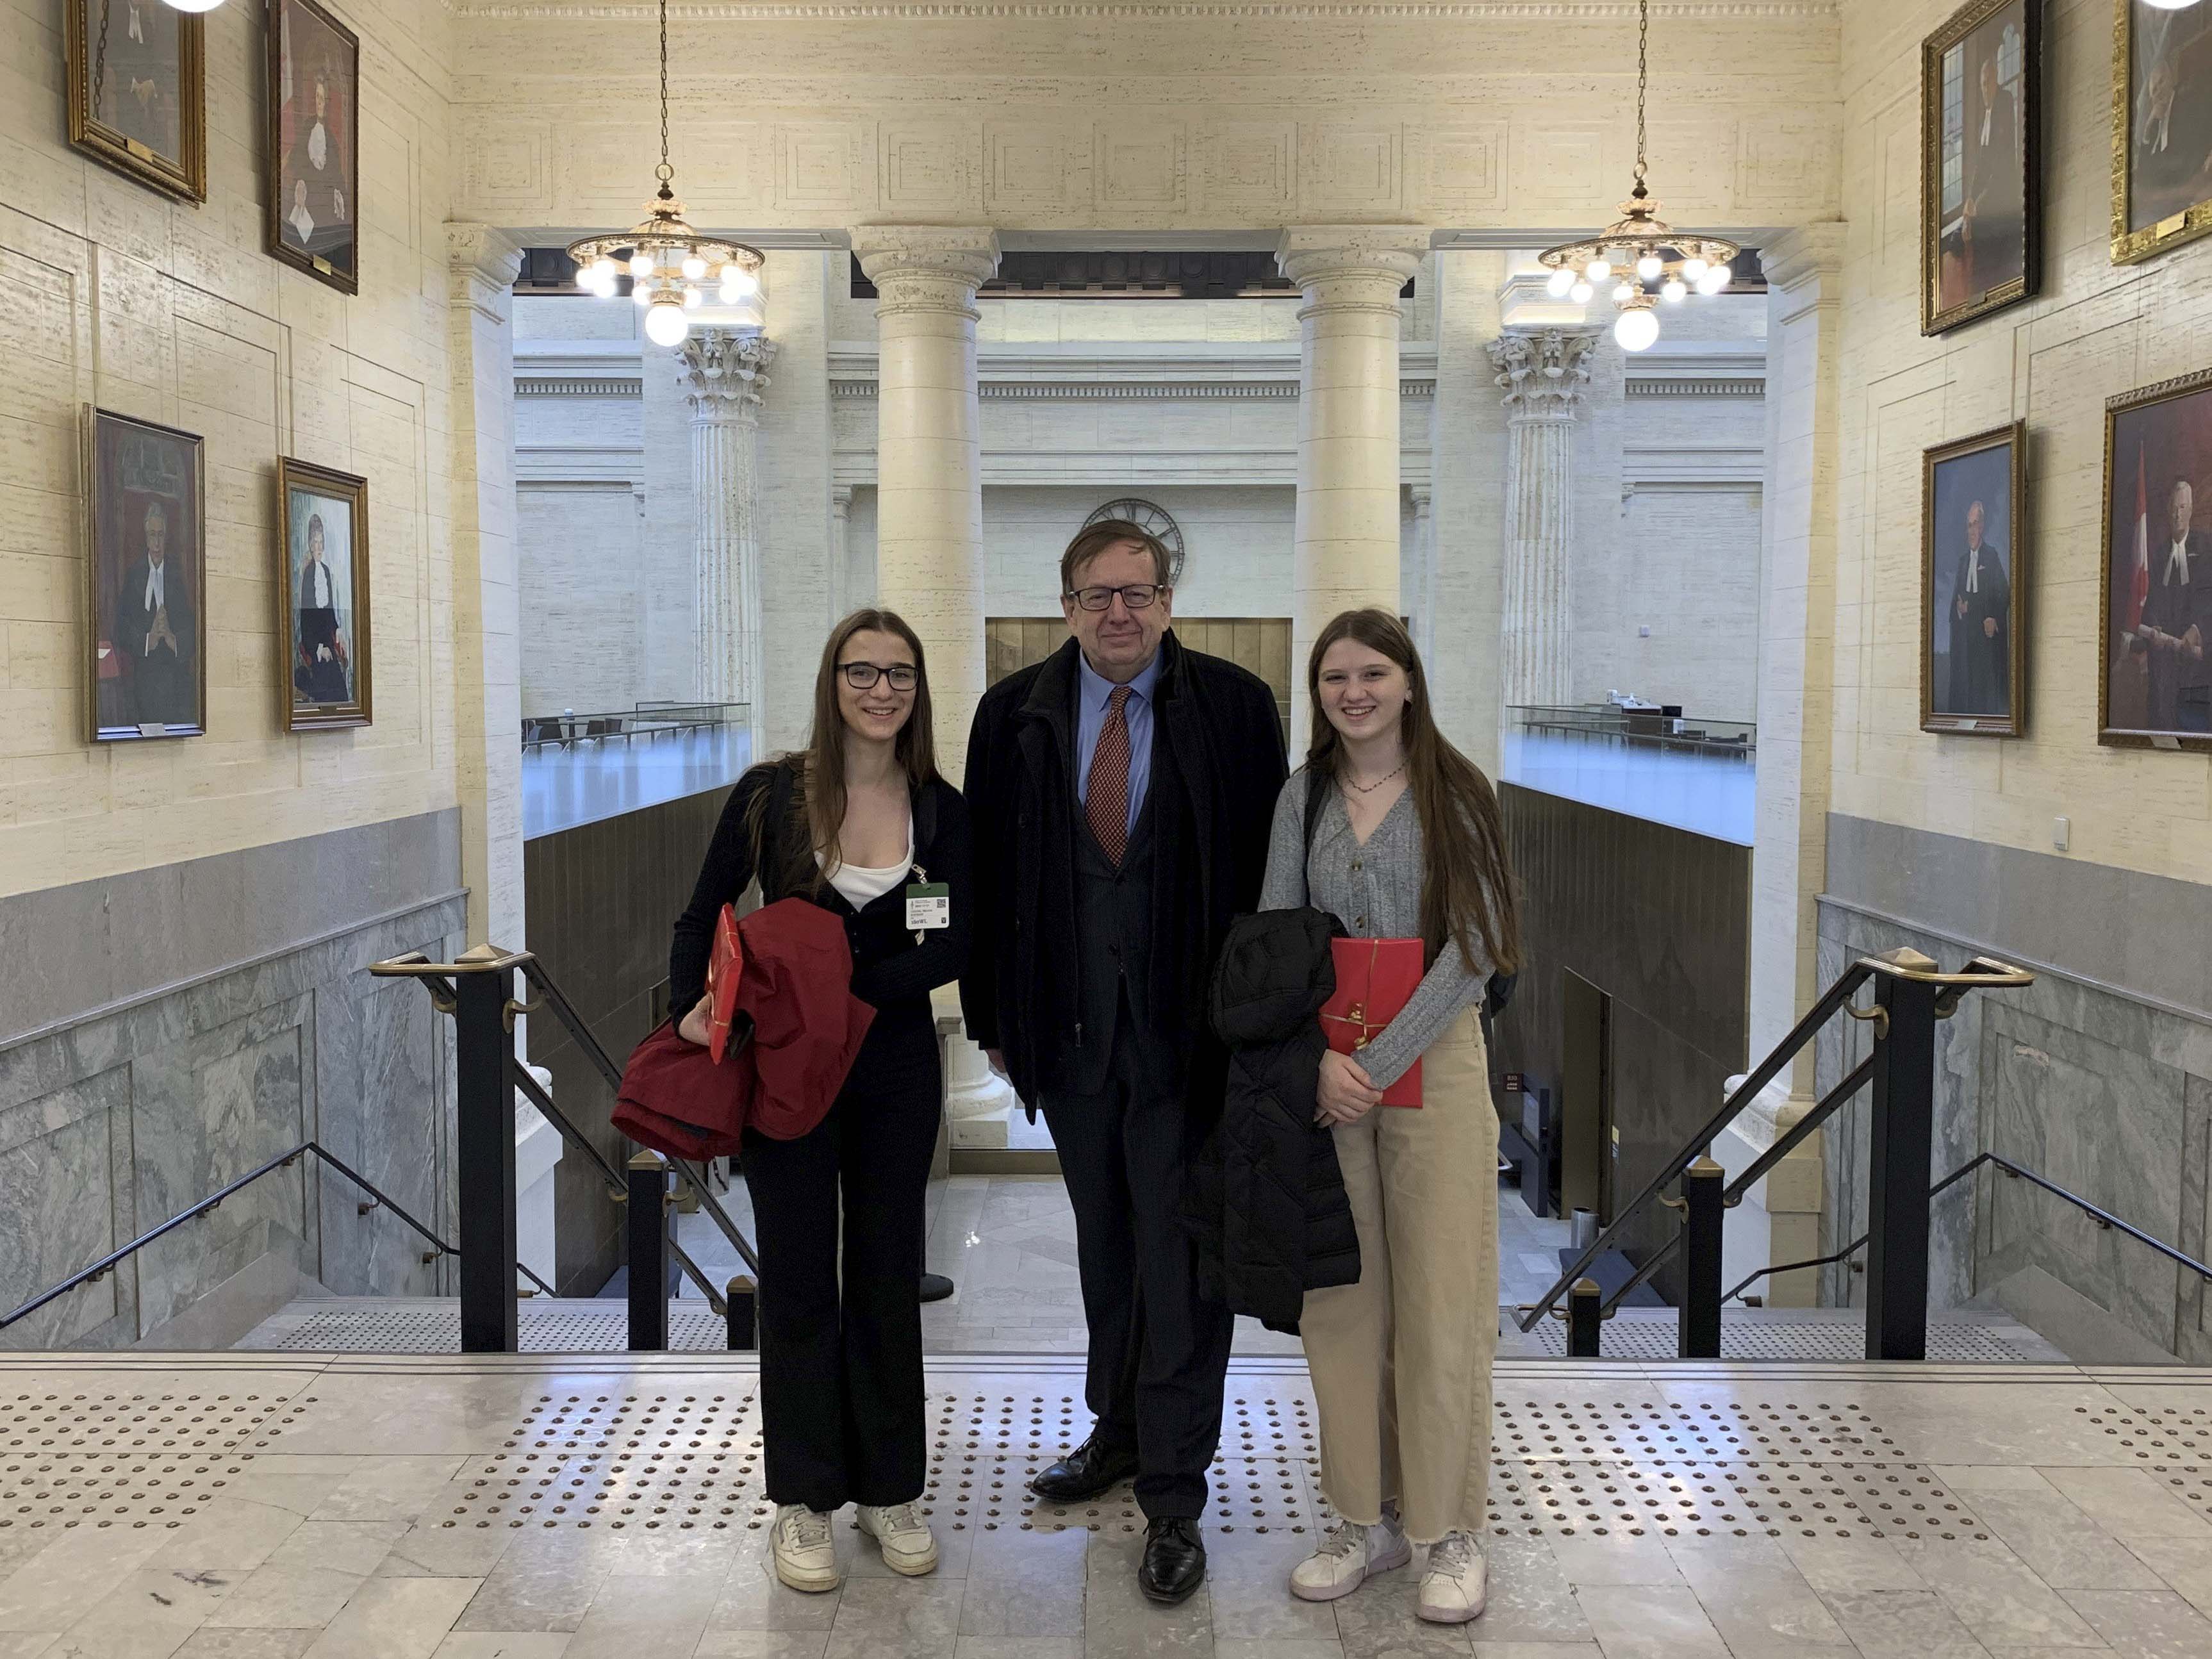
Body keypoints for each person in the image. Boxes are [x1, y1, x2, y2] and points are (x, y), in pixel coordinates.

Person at [961, 520, 1285, 1605]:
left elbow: (1264, 881)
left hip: (1190, 1044)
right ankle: (1119, 1425)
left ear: (1166, 599)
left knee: (1185, 1262)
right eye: (1098, 594)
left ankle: (1176, 1493)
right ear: (1065, 604)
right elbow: (982, 880)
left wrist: (1262, 1027)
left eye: (1138, 593)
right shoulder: (1011, 716)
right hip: (1070, 1038)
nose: (1119, 612)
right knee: (1107, 1247)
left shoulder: (1236, 709)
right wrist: (992, 1014)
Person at [668, 608, 972, 1594]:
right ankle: (803, 1498)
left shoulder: (942, 808)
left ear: (918, 691)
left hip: (893, 1070)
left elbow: (962, 941)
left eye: (900, 674)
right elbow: (702, 911)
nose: (882, 690)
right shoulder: (772, 797)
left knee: (888, 1274)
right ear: (831, 679)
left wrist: (851, 985)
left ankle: (891, 1489)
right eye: (862, 671)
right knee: (799, 1280)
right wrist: (689, 1016)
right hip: (787, 1072)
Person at [1258, 607, 1521, 1626]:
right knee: (1343, 1300)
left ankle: (1449, 1531)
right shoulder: (1303, 796)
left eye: (1372, 673)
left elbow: (1481, 943)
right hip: (1326, 1081)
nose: (1353, 692)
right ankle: (1358, 1518)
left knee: (1443, 1299)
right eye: (1334, 677)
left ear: (1409, 681)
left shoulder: (1460, 792)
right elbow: (1277, 938)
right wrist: (1319, 1063)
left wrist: (1376, 1059)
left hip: (1436, 1069)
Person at [2136, 478, 2210, 731]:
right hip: (2164, 659)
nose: (2177, 514)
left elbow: (2208, 598)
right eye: (2173, 508)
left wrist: (2197, 628)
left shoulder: (2206, 548)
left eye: (2182, 508)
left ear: (2190, 510)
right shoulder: (2157, 555)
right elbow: (2152, 599)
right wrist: (2154, 626)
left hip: (2193, 662)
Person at [115, 499, 195, 727]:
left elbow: (192, 629)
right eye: (152, 535)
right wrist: (149, 638)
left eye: (161, 535)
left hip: (175, 685)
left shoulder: (177, 575)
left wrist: (171, 637)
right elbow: (120, 628)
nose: (157, 544)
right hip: (144, 684)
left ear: (166, 536)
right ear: (146, 537)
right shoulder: (135, 575)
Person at [1961, 51, 2020, 295]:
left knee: (1983, 230)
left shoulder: (2004, 103)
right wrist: (1970, 199)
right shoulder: (1986, 115)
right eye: (1982, 85)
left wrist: (1980, 200)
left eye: (1989, 83)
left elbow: (2000, 161)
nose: (1986, 89)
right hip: (1988, 190)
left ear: (1996, 81)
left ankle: (1987, 287)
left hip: (2003, 189)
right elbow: (1981, 163)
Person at [1945, 499, 2010, 717]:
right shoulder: (1963, 562)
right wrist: (1959, 609)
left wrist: (1992, 616)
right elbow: (1956, 602)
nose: (1972, 531)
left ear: (1982, 526)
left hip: (1985, 641)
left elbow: (2003, 594)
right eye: (1969, 525)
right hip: (1967, 640)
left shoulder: (1991, 557)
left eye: (1975, 524)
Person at [294, 513, 349, 705]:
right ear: (310, 544)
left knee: (341, 691)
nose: (318, 547)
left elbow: (330, 614)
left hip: (328, 641)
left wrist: (339, 631)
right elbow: (306, 622)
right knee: (329, 686)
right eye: (315, 542)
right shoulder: (309, 574)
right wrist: (319, 648)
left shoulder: (325, 571)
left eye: (321, 542)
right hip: (314, 643)